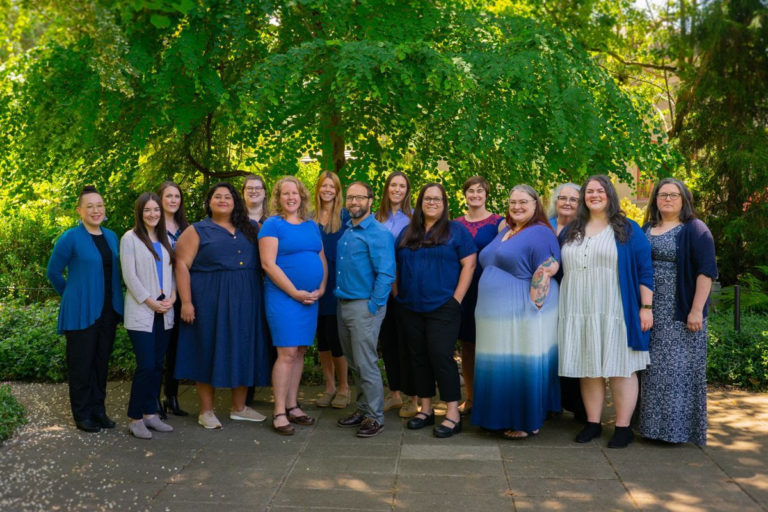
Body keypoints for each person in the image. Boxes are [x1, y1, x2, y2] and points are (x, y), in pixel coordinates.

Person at [558, 175, 654, 449]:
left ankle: (622, 427)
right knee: (588, 366)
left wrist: (646, 308)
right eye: (589, 191)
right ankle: (592, 422)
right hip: (578, 307)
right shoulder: (572, 230)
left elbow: (645, 271)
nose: (594, 195)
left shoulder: (627, 229)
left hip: (615, 307)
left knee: (621, 367)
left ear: (610, 195)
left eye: (600, 191)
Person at [174, 182, 268, 429]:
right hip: (209, 300)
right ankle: (206, 411)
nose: (223, 200)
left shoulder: (251, 228)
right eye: (218, 196)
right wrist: (186, 302)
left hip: (247, 299)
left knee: (245, 347)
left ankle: (240, 407)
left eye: (228, 196)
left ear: (236, 201)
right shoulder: (196, 230)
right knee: (208, 348)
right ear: (209, 201)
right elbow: (181, 265)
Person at [472, 185, 561, 439]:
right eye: (513, 202)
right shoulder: (507, 230)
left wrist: (536, 308)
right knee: (499, 365)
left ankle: (526, 421)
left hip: (521, 312)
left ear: (536, 204)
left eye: (523, 202)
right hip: (495, 316)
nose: (517, 206)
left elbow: (547, 267)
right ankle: (496, 417)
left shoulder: (540, 232)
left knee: (521, 365)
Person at [638, 178, 717, 445]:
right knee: (652, 371)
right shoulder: (647, 227)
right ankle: (651, 429)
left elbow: (706, 271)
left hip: (681, 311)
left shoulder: (695, 229)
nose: (667, 199)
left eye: (673, 195)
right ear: (655, 200)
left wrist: (696, 310)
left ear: (684, 199)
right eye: (662, 195)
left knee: (678, 373)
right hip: (650, 310)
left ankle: (676, 433)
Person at [395, 183, 477, 438]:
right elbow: (395, 264)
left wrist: (456, 300)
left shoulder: (456, 231)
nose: (432, 202)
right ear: (420, 203)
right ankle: (426, 409)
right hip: (410, 307)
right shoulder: (408, 233)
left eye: (437, 199)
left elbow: (469, 264)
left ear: (444, 203)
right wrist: (397, 295)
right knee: (418, 357)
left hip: (443, 307)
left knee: (441, 356)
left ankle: (452, 413)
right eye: (427, 199)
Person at [47, 185, 124, 433]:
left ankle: (98, 410)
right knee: (81, 365)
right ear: (79, 211)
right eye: (89, 206)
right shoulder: (70, 237)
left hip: (108, 311)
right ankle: (82, 414)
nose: (95, 210)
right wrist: (71, 295)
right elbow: (53, 273)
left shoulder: (112, 236)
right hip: (81, 312)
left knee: (101, 364)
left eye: (99, 205)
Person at [259, 176, 327, 435]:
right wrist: (295, 293)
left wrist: (320, 288)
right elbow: (268, 265)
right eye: (285, 193)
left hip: (310, 299)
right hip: (284, 297)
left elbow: (320, 257)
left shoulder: (311, 225)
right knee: (286, 353)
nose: (290, 197)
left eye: (295, 193)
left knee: (299, 351)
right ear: (278, 198)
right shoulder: (272, 225)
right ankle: (278, 412)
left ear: (302, 197)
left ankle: (292, 404)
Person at [335, 182, 396, 437]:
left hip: (364, 306)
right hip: (344, 304)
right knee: (354, 362)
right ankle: (363, 408)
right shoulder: (348, 230)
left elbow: (386, 273)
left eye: (359, 197)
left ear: (370, 201)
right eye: (350, 198)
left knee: (366, 362)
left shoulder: (378, 233)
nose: (353, 202)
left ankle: (375, 416)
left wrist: (374, 306)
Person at [120, 192, 176, 439]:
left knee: (156, 367)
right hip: (142, 311)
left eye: (156, 210)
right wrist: (151, 302)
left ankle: (151, 414)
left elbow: (173, 275)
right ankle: (135, 418)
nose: (153, 214)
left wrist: (172, 299)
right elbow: (130, 277)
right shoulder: (130, 239)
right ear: (140, 213)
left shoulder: (165, 241)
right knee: (145, 366)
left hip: (165, 312)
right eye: (147, 210)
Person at [454, 176, 503, 416]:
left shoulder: (499, 223)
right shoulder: (455, 224)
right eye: (471, 191)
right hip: (465, 291)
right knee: (468, 346)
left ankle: (491, 398)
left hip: (490, 290)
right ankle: (471, 398)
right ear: (465, 194)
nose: (475, 195)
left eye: (480, 191)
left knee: (491, 345)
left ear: (487, 194)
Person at [374, 171, 419, 418]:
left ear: (407, 190)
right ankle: (394, 395)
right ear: (387, 188)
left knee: (408, 343)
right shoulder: (375, 218)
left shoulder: (414, 219)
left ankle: (413, 398)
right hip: (380, 289)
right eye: (393, 185)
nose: (397, 189)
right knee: (388, 342)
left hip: (404, 288)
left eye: (402, 185)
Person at [546, 182, 585, 421]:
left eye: (573, 199)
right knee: (549, 348)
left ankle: (578, 404)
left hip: (573, 294)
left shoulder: (584, 229)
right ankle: (552, 402)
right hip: (546, 294)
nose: (567, 203)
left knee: (572, 347)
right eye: (563, 198)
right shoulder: (544, 225)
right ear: (555, 201)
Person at [312, 171, 351, 409]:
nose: (327, 190)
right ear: (317, 189)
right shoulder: (309, 219)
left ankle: (345, 387)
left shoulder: (346, 218)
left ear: (338, 191)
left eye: (332, 187)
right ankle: (329, 386)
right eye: (324, 186)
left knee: (337, 339)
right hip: (316, 284)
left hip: (340, 283)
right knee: (323, 340)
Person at [157, 181, 189, 418]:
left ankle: (172, 396)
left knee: (177, 349)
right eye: (169, 196)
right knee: (159, 348)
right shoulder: (152, 226)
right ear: (159, 199)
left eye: (177, 196)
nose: (173, 200)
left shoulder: (186, 228)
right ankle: (154, 398)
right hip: (160, 294)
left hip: (182, 293)